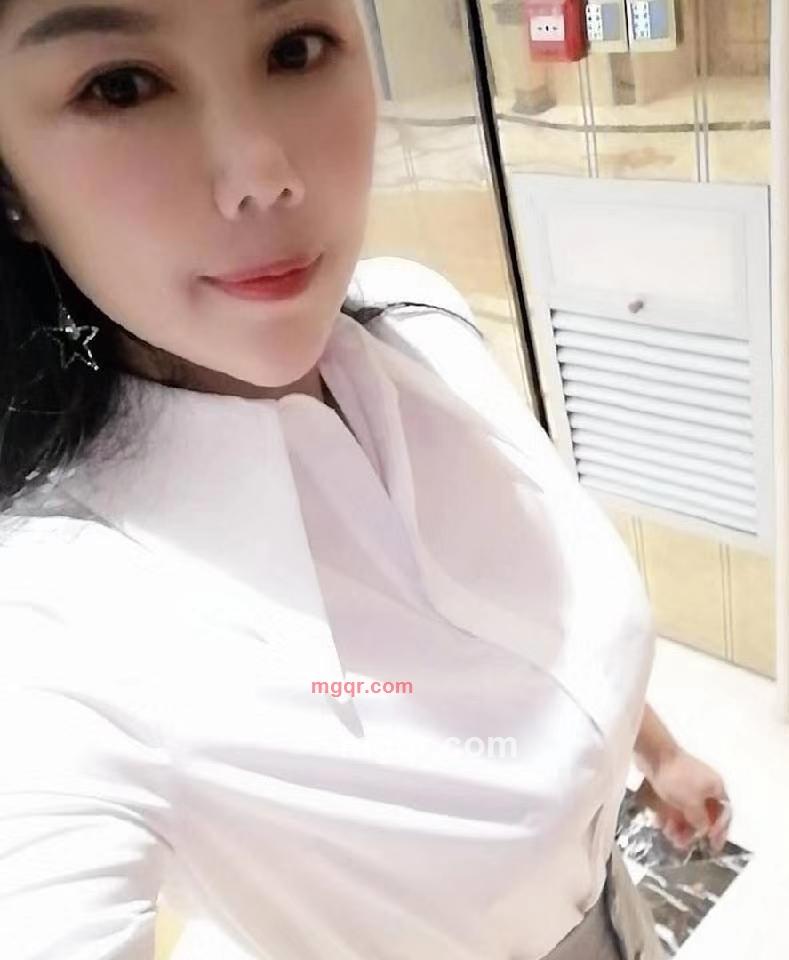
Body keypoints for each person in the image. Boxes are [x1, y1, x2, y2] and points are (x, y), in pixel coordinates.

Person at [0, 2, 729, 958]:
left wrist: (657, 754)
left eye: (294, 49)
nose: (263, 173)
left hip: (616, 905)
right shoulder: (50, 632)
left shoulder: (421, 318)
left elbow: (536, 621)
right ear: (10, 184)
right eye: (121, 86)